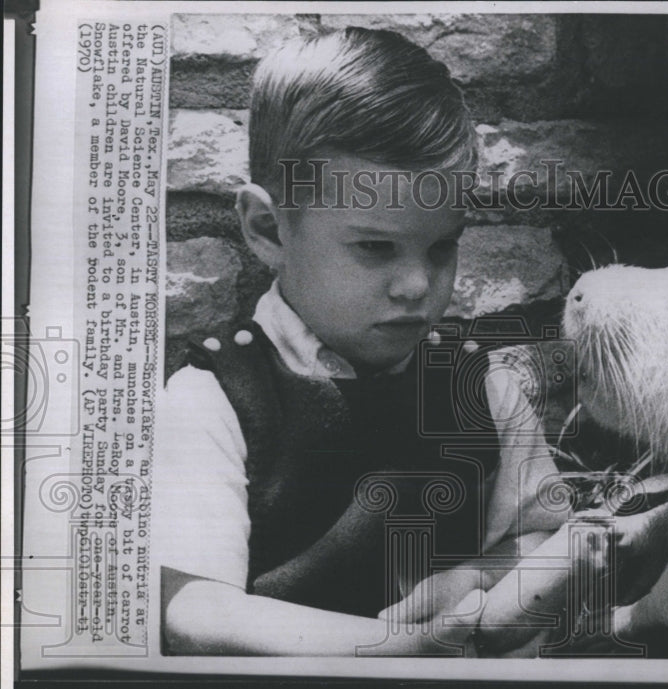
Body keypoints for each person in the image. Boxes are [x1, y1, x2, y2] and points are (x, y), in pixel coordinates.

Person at [155, 27, 566, 656]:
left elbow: (539, 539)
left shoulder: (480, 388)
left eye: (441, 246)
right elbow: (194, 612)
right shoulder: (213, 399)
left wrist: (482, 576)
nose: (416, 284)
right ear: (268, 229)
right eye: (374, 247)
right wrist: (397, 650)